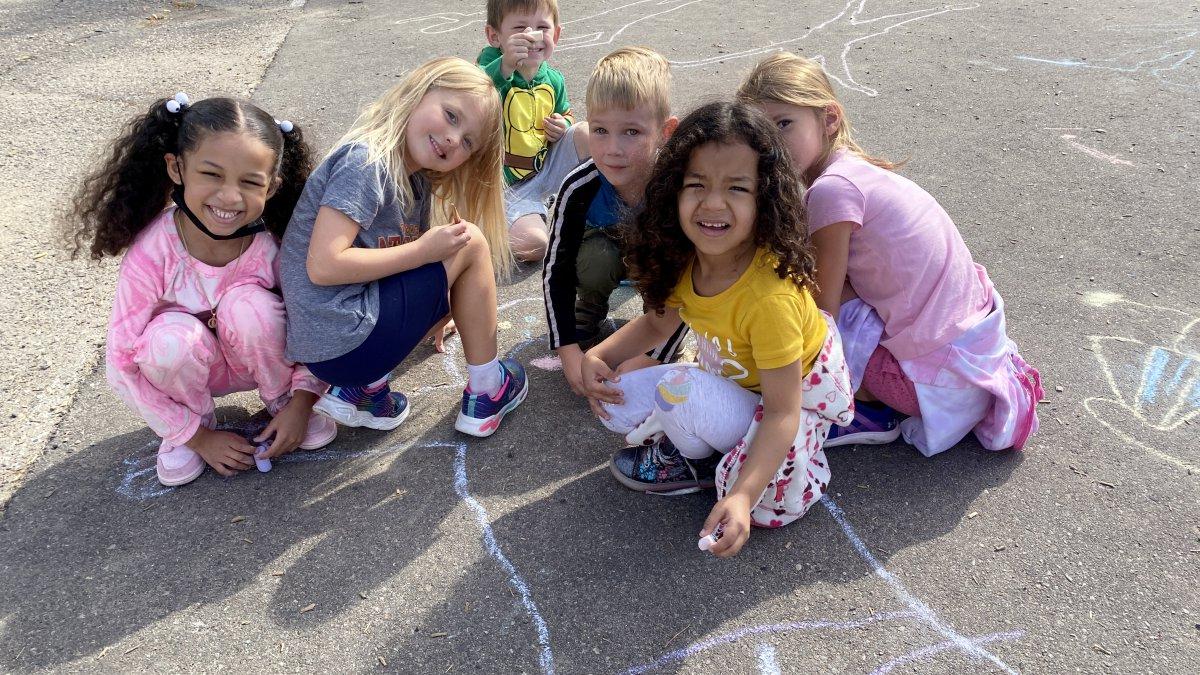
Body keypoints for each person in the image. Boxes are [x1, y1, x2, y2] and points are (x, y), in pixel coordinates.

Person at [581, 102, 855, 558]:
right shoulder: (688, 257)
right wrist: (599, 357)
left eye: (736, 188)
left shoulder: (770, 299)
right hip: (735, 381)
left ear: (765, 199)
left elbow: (783, 411)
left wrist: (744, 496)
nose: (712, 203)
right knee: (617, 399)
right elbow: (658, 321)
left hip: (786, 402)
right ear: (673, 191)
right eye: (697, 185)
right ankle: (708, 441)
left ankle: (698, 463)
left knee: (678, 389)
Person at [738, 53, 1043, 456]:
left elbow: (821, 312)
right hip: (972, 367)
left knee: (792, 298)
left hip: (927, 389)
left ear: (829, 118)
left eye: (783, 124)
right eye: (761, 137)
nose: (772, 147)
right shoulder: (858, 171)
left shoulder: (831, 191)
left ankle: (865, 410)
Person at [68, 93, 334, 486]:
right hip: (188, 370)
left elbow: (316, 319)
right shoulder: (151, 252)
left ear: (273, 187)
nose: (229, 196)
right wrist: (195, 436)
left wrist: (301, 400)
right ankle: (191, 423)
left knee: (250, 306)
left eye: (250, 182)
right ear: (177, 168)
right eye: (211, 174)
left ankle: (278, 402)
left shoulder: (274, 246)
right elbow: (121, 361)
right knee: (169, 339)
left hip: (255, 361)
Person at [280, 57, 528, 438]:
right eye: (450, 115)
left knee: (447, 249)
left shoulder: (415, 181)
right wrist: (423, 253)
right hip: (341, 338)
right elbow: (325, 265)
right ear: (418, 92)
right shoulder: (366, 161)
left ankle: (364, 392)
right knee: (471, 241)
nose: (451, 138)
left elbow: (402, 265)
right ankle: (488, 388)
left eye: (467, 142)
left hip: (338, 348)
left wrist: (437, 302)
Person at [541, 46, 688, 395]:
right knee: (595, 259)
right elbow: (556, 270)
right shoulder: (579, 186)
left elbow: (696, 280)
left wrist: (656, 355)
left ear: (665, 131)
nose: (612, 149)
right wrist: (568, 351)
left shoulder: (680, 189)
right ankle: (588, 314)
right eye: (600, 130)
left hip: (658, 268)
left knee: (670, 268)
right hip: (607, 251)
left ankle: (658, 331)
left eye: (632, 132)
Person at [478, 0, 590, 261]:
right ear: (495, 36)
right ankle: (494, 221)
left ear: (556, 34)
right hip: (502, 187)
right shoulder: (490, 66)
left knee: (586, 133)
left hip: (543, 171)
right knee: (536, 246)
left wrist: (564, 125)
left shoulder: (553, 79)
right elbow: (471, 94)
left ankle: (586, 205)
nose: (532, 35)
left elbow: (566, 113)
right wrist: (504, 65)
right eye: (520, 28)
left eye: (542, 27)